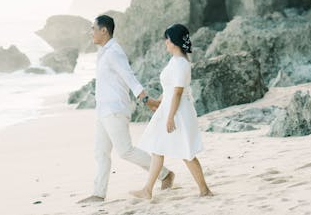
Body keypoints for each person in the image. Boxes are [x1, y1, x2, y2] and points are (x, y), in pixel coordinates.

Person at [77, 15, 175, 204]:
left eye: (93, 28)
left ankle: (165, 175)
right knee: (100, 153)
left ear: (104, 30)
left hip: (115, 109)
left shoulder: (114, 52)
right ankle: (98, 194)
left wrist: (146, 99)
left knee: (125, 151)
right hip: (103, 111)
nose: (91, 32)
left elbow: (129, 77)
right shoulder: (104, 52)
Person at [130, 24, 212, 200]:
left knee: (186, 153)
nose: (165, 42)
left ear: (174, 41)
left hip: (178, 113)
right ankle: (147, 190)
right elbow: (169, 89)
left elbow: (178, 92)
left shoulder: (182, 64)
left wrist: (170, 117)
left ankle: (205, 190)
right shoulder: (174, 61)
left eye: (167, 38)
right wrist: (158, 103)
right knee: (157, 148)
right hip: (168, 108)